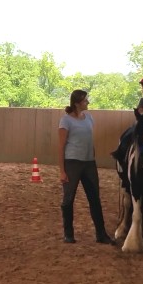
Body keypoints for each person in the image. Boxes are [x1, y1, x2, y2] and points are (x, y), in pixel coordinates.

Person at [58, 90, 115, 245]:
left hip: (89, 162)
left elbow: (89, 139)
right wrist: (62, 170)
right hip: (72, 162)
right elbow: (61, 146)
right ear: (77, 103)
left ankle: (101, 233)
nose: (88, 102)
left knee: (94, 198)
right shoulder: (66, 121)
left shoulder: (89, 118)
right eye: (85, 100)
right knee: (68, 199)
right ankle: (68, 233)